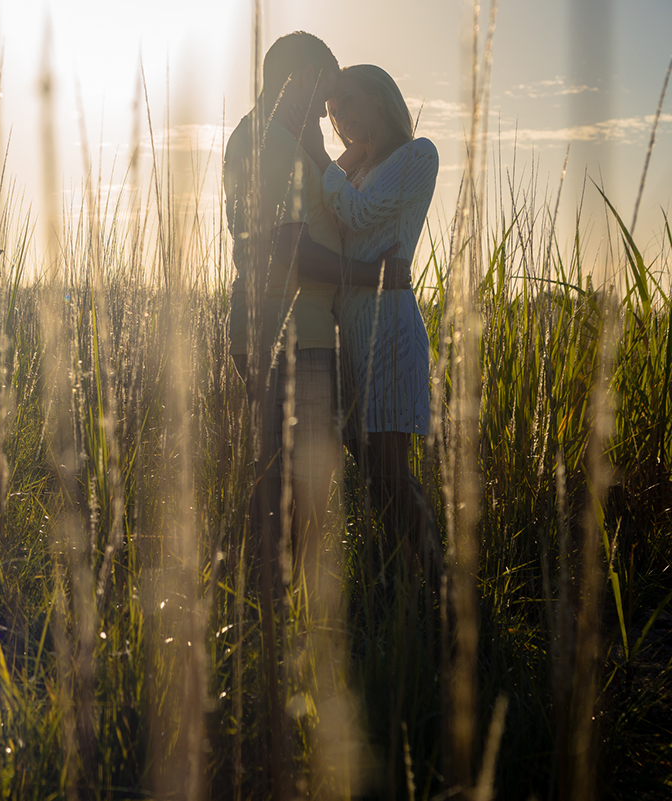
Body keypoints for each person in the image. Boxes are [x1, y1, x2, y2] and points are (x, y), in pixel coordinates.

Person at [223, 33, 406, 799]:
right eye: (322, 90)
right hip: (288, 335)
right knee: (287, 489)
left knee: (300, 483)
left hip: (301, 333)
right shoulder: (268, 143)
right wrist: (375, 272)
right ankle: (275, 642)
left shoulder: (286, 139)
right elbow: (287, 250)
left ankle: (285, 625)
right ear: (293, 79)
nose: (331, 113)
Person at [290, 64, 440, 573]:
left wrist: (326, 156)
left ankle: (441, 587)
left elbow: (357, 214)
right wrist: (346, 160)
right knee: (375, 476)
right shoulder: (352, 172)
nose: (340, 118)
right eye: (333, 112)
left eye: (349, 102)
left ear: (380, 97)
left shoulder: (417, 155)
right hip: (349, 334)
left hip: (389, 330)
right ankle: (406, 585)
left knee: (391, 473)